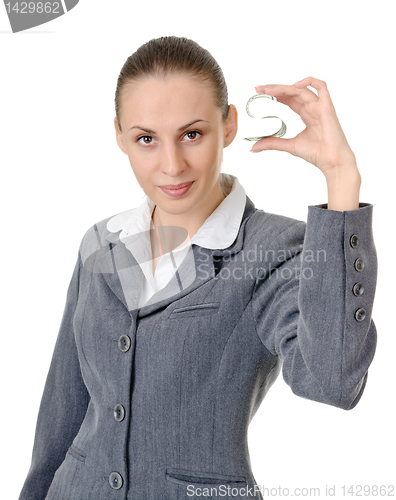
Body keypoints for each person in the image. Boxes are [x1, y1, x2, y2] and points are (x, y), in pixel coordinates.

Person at [19, 36, 377, 500]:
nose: (171, 165)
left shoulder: (276, 250)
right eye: (146, 139)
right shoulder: (100, 243)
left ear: (227, 125)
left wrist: (340, 177)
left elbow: (333, 382)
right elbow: (61, 412)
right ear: (120, 136)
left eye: (192, 134)